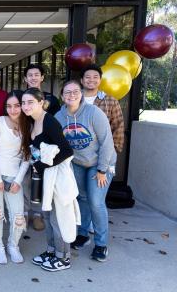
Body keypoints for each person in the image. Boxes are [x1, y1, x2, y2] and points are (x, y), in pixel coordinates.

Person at [55, 80, 116, 262]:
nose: (71, 95)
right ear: (62, 96)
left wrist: (102, 170)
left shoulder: (94, 113)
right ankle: (82, 234)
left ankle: (101, 244)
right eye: (67, 92)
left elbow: (107, 143)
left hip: (100, 164)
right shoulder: (59, 116)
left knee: (96, 201)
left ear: (81, 94)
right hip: (78, 163)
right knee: (81, 197)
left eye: (75, 91)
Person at [21, 88, 75, 272]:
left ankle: (64, 257)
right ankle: (52, 251)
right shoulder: (31, 121)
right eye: (23, 102)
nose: (26, 106)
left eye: (30, 102)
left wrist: (42, 166)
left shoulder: (49, 121)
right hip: (43, 179)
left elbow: (67, 151)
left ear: (41, 102)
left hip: (56, 177)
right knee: (47, 215)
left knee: (58, 218)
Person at [0, 90, 31, 264]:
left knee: (18, 216)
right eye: (9, 106)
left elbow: (27, 157)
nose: (13, 109)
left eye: (17, 105)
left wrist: (18, 181)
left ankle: (13, 246)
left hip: (14, 177)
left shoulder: (28, 126)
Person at [23, 64, 60, 231]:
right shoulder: (21, 97)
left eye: (36, 74)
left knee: (40, 180)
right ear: (25, 79)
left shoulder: (51, 99)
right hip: (25, 143)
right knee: (25, 180)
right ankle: (24, 213)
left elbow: (56, 122)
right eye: (29, 75)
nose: (33, 78)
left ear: (42, 77)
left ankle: (37, 214)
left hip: (45, 147)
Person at [80, 64, 125, 154]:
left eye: (95, 77)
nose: (91, 80)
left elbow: (118, 126)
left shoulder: (110, 101)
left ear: (100, 80)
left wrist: (113, 150)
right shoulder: (73, 99)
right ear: (81, 80)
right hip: (76, 152)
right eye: (88, 77)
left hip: (101, 152)